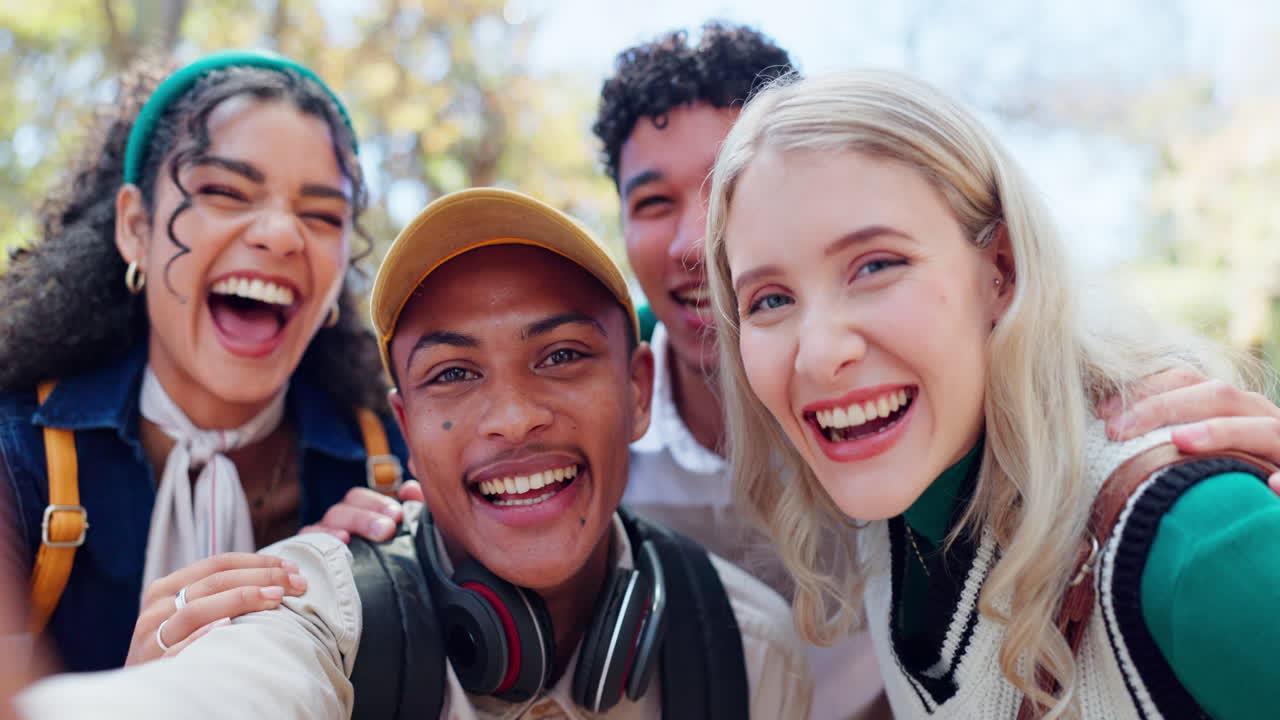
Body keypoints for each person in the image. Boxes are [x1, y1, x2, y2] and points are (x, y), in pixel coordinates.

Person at [17, 187, 812, 720]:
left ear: (638, 389)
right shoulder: (322, 607)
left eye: (562, 355)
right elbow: (236, 682)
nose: (512, 419)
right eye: (453, 373)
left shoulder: (751, 650)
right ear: (405, 426)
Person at [704, 68, 1280, 718]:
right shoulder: (890, 522)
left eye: (876, 266)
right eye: (770, 299)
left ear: (1000, 269)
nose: (818, 354)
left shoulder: (1197, 538)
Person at [0, 49, 410, 674]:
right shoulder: (17, 460)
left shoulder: (392, 465)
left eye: (323, 215)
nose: (282, 234)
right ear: (136, 227)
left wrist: (386, 581)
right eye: (224, 191)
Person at [592, 24, 887, 719]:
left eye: (725, 185)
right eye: (653, 203)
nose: (692, 242)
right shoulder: (588, 426)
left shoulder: (896, 381)